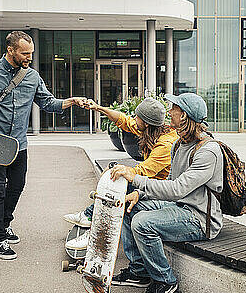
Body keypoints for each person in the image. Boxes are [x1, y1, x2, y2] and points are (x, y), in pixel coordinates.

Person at [0, 30, 87, 260]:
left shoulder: (31, 77)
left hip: (19, 144)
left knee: (17, 185)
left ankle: (5, 222)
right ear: (10, 50)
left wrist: (72, 101)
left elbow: (48, 102)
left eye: (31, 53)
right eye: (24, 53)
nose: (29, 57)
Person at [108, 92, 224, 293]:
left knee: (142, 223)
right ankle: (139, 272)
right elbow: (171, 180)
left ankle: (164, 280)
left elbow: (177, 189)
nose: (170, 112)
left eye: (175, 109)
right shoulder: (179, 144)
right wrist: (139, 194)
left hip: (198, 218)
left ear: (185, 116)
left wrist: (137, 179)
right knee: (128, 206)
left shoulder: (209, 151)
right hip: (179, 206)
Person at [63, 97, 179, 250]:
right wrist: (98, 107)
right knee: (115, 178)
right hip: (147, 185)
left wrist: (116, 170)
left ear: (145, 122)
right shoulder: (151, 128)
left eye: (137, 117)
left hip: (158, 191)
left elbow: (143, 172)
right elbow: (123, 120)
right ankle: (91, 220)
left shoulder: (165, 144)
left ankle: (93, 227)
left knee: (117, 182)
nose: (134, 119)